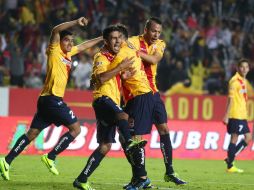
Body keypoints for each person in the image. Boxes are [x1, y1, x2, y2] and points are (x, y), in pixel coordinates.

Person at [0, 17, 103, 180]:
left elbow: (83, 45)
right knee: (76, 129)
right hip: (53, 99)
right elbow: (55, 30)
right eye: (67, 40)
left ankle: (6, 161)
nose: (70, 43)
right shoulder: (54, 50)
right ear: (60, 41)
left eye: (71, 41)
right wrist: (76, 22)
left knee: (32, 133)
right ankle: (51, 156)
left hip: (45, 99)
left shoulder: (69, 54)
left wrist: (102, 38)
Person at [73, 25, 147, 190]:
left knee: (105, 146)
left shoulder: (115, 58)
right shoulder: (101, 56)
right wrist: (120, 68)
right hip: (103, 99)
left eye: (119, 37)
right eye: (113, 38)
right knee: (123, 117)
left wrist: (125, 74)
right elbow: (101, 78)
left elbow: (111, 77)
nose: (117, 41)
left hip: (110, 101)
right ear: (106, 41)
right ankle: (129, 142)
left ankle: (82, 179)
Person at [124, 17, 187, 189]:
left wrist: (135, 52)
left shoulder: (160, 44)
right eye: (153, 31)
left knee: (164, 129)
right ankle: (139, 178)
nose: (156, 35)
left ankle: (170, 171)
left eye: (159, 32)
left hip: (153, 93)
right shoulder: (132, 41)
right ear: (145, 29)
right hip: (137, 93)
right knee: (136, 137)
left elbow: (154, 59)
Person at [223, 58, 251, 173]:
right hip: (235, 114)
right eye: (242, 67)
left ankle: (230, 159)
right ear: (237, 68)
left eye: (246, 67)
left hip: (242, 114)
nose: (244, 69)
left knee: (248, 137)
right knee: (234, 138)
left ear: (249, 69)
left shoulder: (243, 80)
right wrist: (226, 115)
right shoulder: (234, 81)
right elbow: (230, 99)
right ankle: (230, 165)